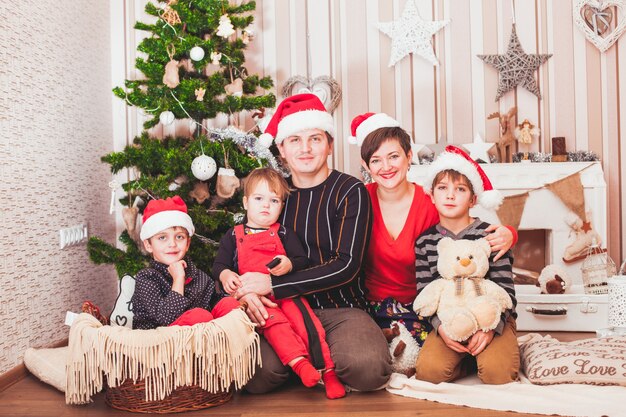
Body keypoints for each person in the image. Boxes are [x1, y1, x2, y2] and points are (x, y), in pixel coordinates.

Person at [234, 93, 391, 393]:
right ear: (281, 148)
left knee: (368, 369)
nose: (305, 149)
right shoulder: (272, 195)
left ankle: (322, 358)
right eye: (294, 140)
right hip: (282, 311)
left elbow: (346, 266)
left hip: (341, 308)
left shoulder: (350, 190)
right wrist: (245, 293)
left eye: (315, 139)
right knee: (256, 376)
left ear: (330, 145)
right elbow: (241, 249)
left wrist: (272, 284)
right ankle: (309, 361)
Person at [351, 112, 516, 347]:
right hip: (371, 307)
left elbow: (467, 228)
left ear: (409, 157)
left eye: (394, 156)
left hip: (424, 307)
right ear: (365, 164)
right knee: (370, 360)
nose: (386, 167)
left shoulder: (431, 200)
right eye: (376, 160)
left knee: (427, 359)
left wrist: (510, 233)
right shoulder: (358, 199)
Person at [212, 167, 345, 399]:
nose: (266, 205)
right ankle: (300, 366)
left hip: (287, 293)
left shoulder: (283, 232)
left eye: (274, 200)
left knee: (308, 326)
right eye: (259, 198)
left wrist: (289, 264)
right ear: (245, 202)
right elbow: (219, 266)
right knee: (276, 328)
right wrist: (225, 275)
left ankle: (329, 371)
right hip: (261, 303)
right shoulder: (233, 236)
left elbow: (302, 260)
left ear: (281, 206)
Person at [413, 145, 519, 384]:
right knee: (429, 373)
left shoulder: (491, 235)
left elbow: (506, 293)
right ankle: (467, 361)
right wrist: (439, 328)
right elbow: (425, 294)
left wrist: (492, 328)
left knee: (497, 373)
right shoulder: (425, 242)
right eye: (442, 188)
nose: (450, 195)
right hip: (451, 320)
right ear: (431, 195)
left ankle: (488, 355)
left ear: (473, 200)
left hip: (492, 319)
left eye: (460, 189)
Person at [132, 196, 240, 330]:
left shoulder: (200, 277)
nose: (172, 244)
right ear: (148, 245)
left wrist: (233, 295)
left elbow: (214, 304)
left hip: (201, 336)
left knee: (230, 305)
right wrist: (178, 279)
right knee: (199, 317)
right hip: (159, 340)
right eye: (162, 238)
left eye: (179, 237)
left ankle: (220, 344)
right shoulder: (147, 278)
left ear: (187, 243)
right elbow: (165, 318)